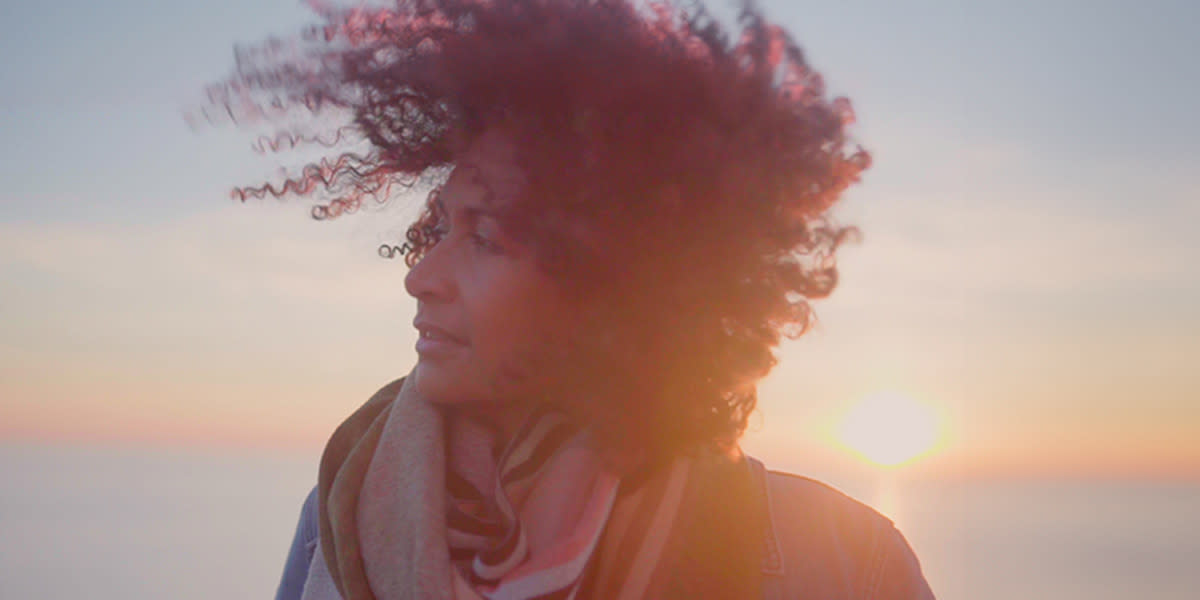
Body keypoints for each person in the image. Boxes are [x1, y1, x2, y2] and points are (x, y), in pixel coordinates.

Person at [205, 1, 935, 598]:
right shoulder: (341, 512)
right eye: (437, 228)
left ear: (611, 285)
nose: (420, 275)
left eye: (484, 238)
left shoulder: (843, 562)